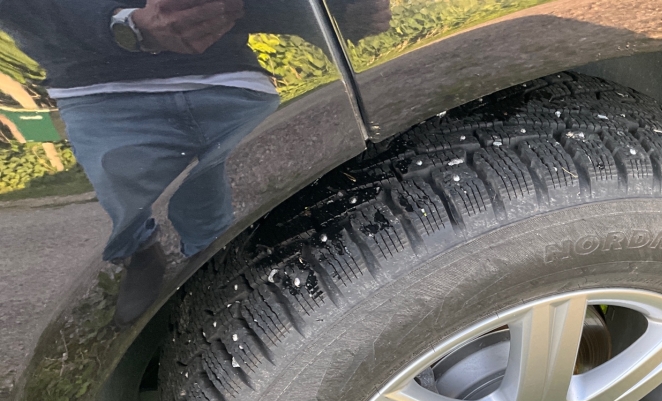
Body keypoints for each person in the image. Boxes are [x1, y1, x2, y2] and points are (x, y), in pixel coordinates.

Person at [0, 0, 390, 325]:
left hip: (227, 71)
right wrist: (122, 26)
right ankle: (141, 250)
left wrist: (338, 13)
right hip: (96, 85)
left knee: (223, 184)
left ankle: (214, 258)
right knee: (116, 183)